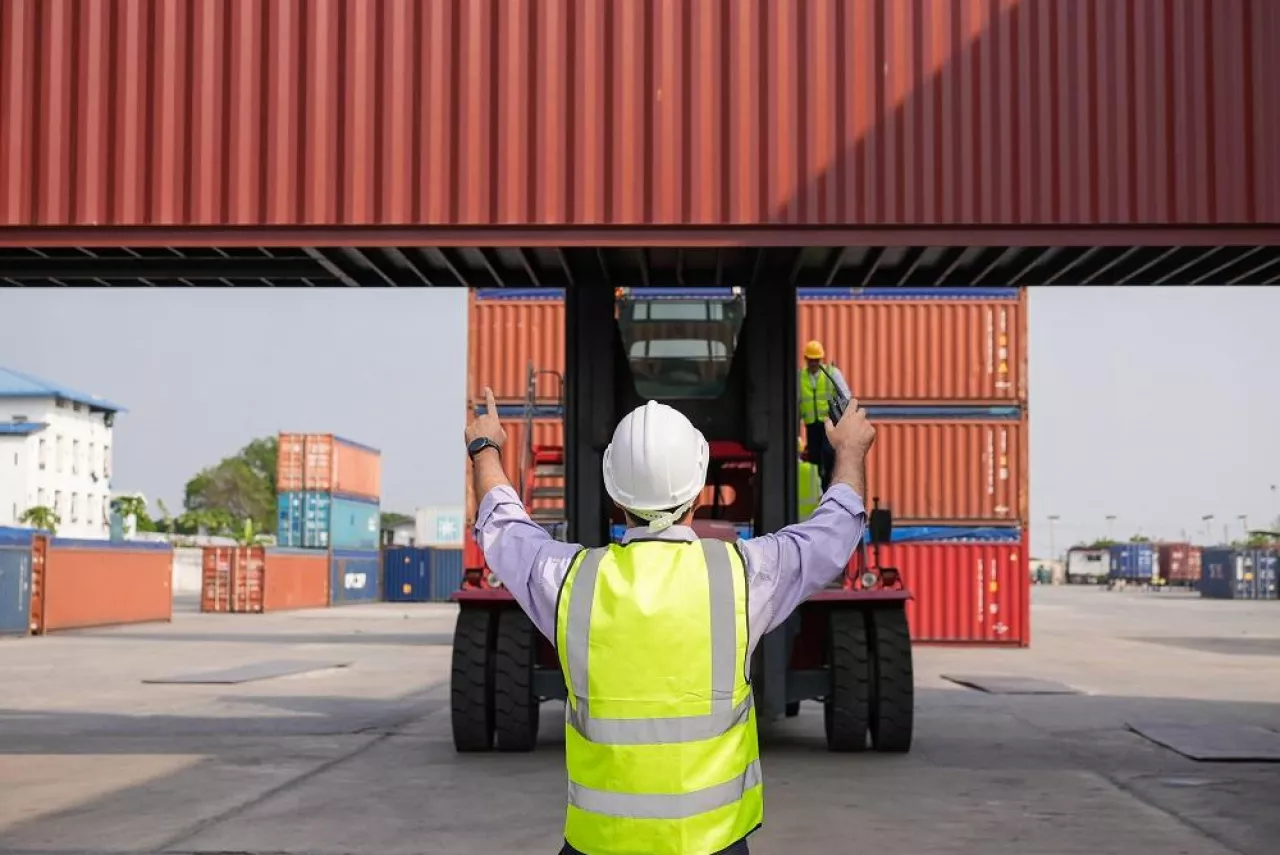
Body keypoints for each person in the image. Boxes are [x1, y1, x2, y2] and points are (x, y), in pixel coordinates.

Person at [465, 386, 876, 855]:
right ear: (700, 490)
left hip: (599, 846)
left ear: (613, 495)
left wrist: (486, 448)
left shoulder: (568, 582)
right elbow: (834, 532)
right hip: (712, 845)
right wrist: (848, 449)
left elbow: (503, 528)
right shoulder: (743, 577)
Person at [798, 340, 852, 492]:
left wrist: (839, 413)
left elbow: (845, 395)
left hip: (829, 424)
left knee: (829, 455)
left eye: (816, 359)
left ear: (821, 359)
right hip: (811, 424)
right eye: (811, 359)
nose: (814, 363)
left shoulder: (831, 373)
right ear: (806, 359)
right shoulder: (800, 377)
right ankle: (818, 488)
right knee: (814, 458)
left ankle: (829, 486)